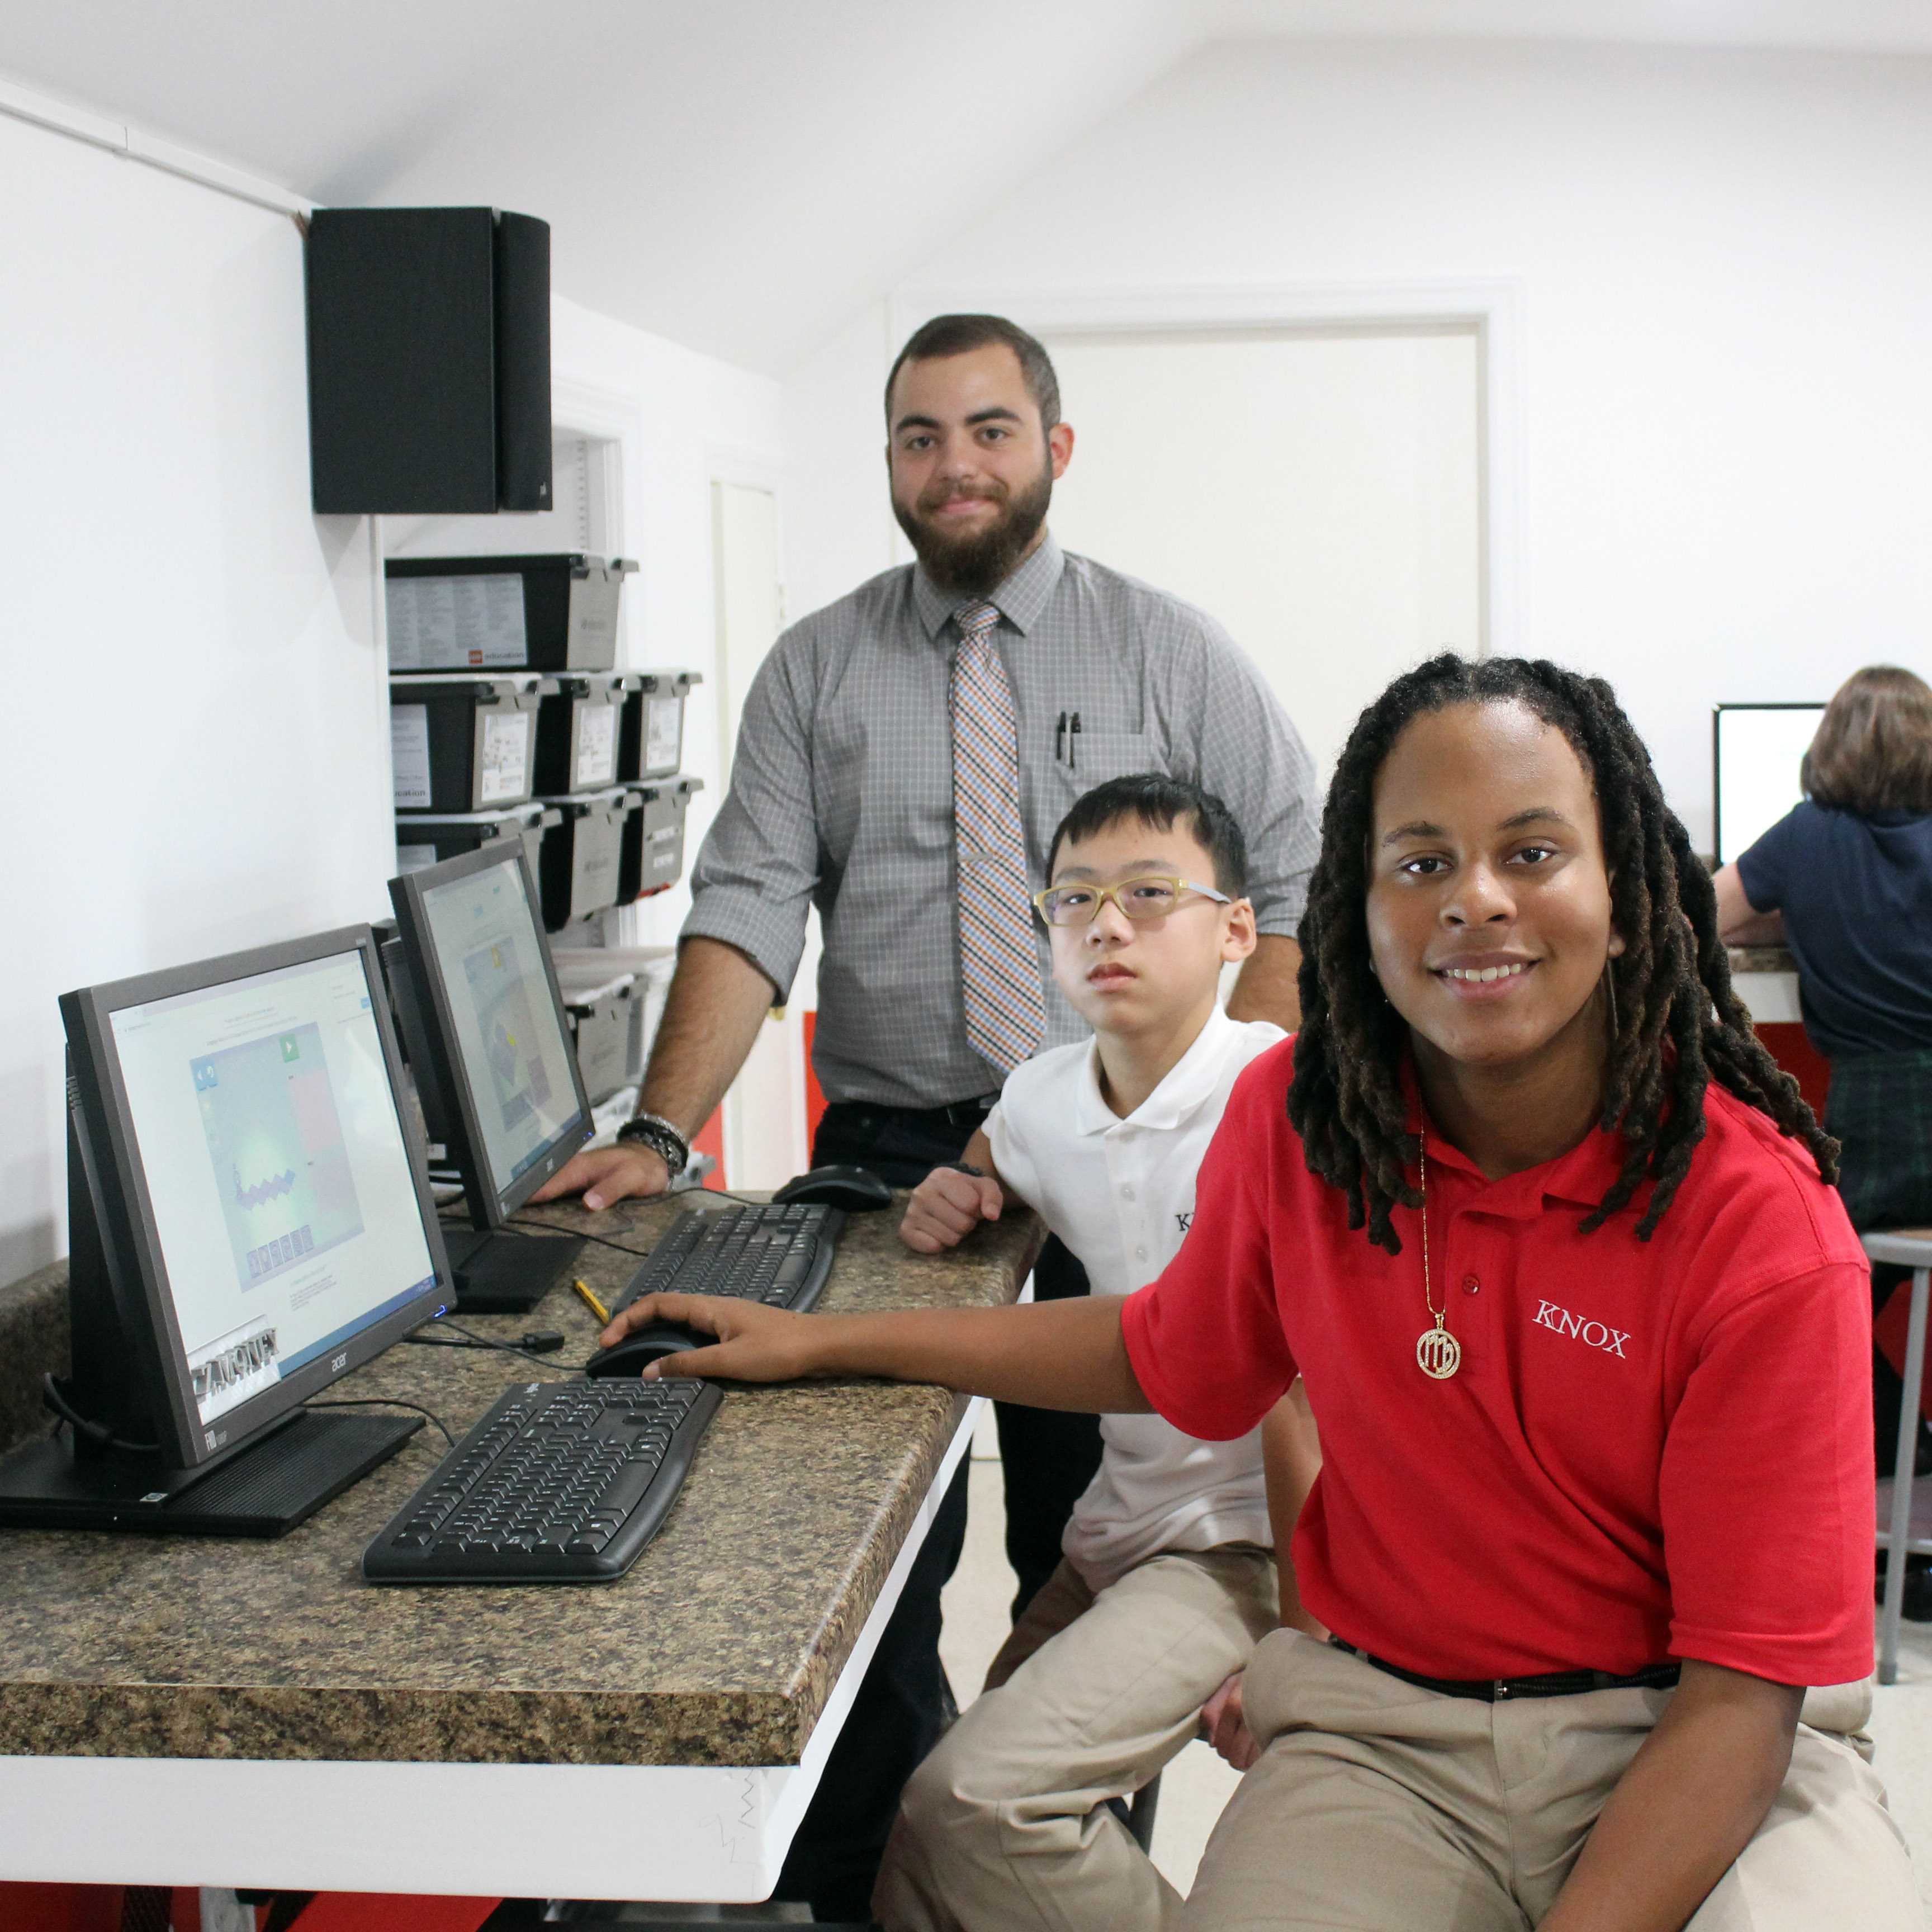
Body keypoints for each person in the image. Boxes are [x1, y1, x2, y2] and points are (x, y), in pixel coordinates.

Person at [600, 654, 1921, 1931]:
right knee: (963, 1815)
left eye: (1531, 852)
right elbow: (1167, 1350)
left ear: (1629, 892)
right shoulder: (1301, 1123)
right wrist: (831, 1342)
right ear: (1356, 908)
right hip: (1392, 1741)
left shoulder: (1756, 1220)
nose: (1475, 900)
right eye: (1420, 863)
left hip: (1699, 1736)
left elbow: (1743, 1698)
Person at [534, 312, 1320, 1919]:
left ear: (1054, 448)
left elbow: (1293, 889)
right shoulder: (819, 666)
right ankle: (865, 1879)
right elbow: (748, 908)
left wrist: (1220, 1125)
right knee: (862, 1553)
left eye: (987, 430)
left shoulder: (1173, 652)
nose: (953, 465)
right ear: (888, 458)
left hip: (1118, 1138)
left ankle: (1052, 1869)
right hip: (905, 1153)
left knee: (1087, 1546)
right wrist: (663, 1133)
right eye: (918, 436)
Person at [877, 772, 1323, 1932]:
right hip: (1118, 1529)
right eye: (1074, 900)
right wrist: (963, 1184)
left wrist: (1304, 1648)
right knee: (919, 1855)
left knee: (977, 1804)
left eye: (1147, 892)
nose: (1106, 924)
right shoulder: (1043, 1096)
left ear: (1236, 930)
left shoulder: (1281, 1095)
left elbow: (1316, 1403)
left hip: (1250, 1547)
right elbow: (1004, 1137)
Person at [1714, 664, 1932, 1603]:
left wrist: (1789, 901)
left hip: (1870, 1122)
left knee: (1837, 1291)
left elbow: (1699, 914)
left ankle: (1855, 1487)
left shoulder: (1806, 838)